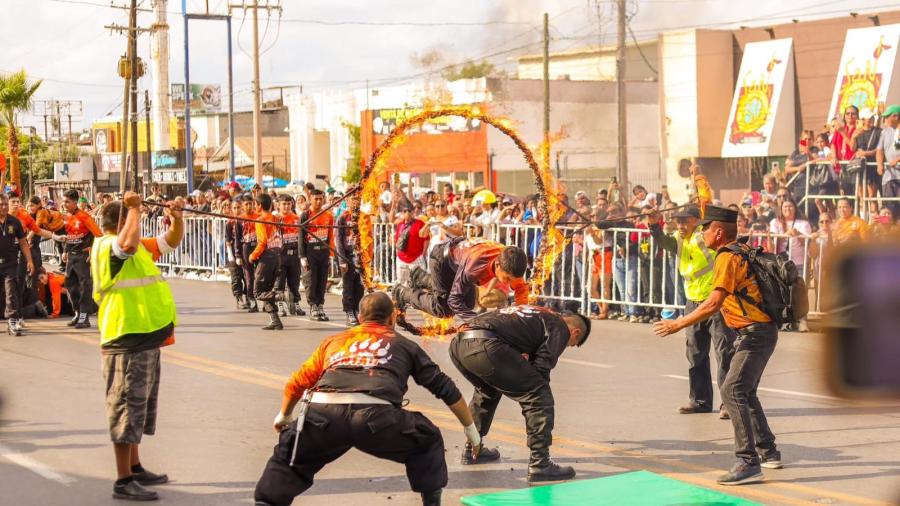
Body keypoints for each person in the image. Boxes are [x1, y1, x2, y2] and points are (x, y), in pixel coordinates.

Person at [253, 292, 481, 506]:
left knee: (288, 459)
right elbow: (445, 388)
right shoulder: (404, 344)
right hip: (377, 419)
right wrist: (471, 429)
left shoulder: (334, 341)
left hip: (323, 416)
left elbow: (297, 382)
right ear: (393, 317)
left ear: (360, 318)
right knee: (428, 439)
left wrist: (284, 415)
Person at [654, 206, 781, 486]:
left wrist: (678, 324)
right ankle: (769, 452)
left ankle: (748, 462)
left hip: (755, 334)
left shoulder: (726, 256)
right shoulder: (739, 249)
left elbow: (713, 303)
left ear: (719, 232)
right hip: (759, 331)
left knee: (732, 390)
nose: (702, 233)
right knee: (745, 391)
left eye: (706, 228)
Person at [90, 191, 184, 501]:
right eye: (130, 217)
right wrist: (134, 210)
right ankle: (123, 480)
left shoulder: (136, 246)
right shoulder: (107, 245)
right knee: (125, 410)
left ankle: (135, 466)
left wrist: (177, 219)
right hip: (125, 339)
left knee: (137, 409)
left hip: (143, 337)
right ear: (120, 222)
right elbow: (127, 245)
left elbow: (169, 242)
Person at [449, 305, 590, 482]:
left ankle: (473, 449)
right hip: (485, 345)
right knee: (539, 394)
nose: (565, 346)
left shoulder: (538, 313)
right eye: (570, 344)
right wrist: (536, 396)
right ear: (575, 332)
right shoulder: (560, 326)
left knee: (488, 391)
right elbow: (542, 366)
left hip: (459, 344)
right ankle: (540, 464)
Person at [649, 203, 735, 417]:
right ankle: (700, 401)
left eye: (685, 221)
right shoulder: (680, 239)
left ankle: (728, 404)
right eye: (678, 221)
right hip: (693, 301)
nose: (680, 225)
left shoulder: (702, 237)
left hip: (715, 301)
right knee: (695, 353)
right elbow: (664, 242)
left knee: (724, 352)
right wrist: (654, 226)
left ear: (697, 221)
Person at [392, 237, 528, 321]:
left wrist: (521, 317)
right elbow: (454, 300)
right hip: (442, 261)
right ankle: (403, 293)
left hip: (459, 261)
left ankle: (419, 276)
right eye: (507, 279)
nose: (510, 283)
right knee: (443, 310)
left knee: (469, 304)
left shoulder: (510, 261)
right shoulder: (475, 266)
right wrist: (477, 322)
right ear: (497, 265)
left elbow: (521, 289)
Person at [61, 189, 103, 329]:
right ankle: (77, 312)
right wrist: (65, 251)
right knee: (70, 285)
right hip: (71, 257)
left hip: (83, 256)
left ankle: (85, 316)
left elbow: (99, 235)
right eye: (64, 201)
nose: (64, 204)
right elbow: (69, 236)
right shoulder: (67, 217)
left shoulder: (85, 217)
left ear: (75, 202)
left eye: (67, 202)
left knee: (85, 286)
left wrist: (92, 252)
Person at [0, 194, 35, 336]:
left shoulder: (15, 222)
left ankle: (12, 321)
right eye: (1, 204)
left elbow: (23, 242)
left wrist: (30, 261)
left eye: (5, 204)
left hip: (10, 263)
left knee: (11, 292)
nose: (3, 207)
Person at [249, 194, 284, 331]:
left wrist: (253, 255)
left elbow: (262, 241)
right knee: (266, 291)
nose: (254, 206)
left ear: (259, 205)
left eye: (255, 204)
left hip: (267, 257)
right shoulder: (276, 218)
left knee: (258, 292)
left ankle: (280, 296)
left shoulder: (260, 220)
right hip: (277, 255)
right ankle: (275, 321)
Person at [299, 189, 334, 321]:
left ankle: (320, 306)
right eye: (316, 199)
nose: (319, 201)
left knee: (322, 280)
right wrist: (302, 257)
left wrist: (331, 253)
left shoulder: (328, 215)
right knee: (311, 280)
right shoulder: (305, 215)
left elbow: (331, 235)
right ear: (310, 199)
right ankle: (313, 306)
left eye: (321, 199)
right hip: (310, 252)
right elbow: (301, 237)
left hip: (323, 252)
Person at [274, 195, 306, 317]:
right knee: (279, 282)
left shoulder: (297, 218)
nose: (287, 206)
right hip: (281, 255)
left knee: (294, 281)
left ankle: (296, 303)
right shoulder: (275, 219)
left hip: (294, 255)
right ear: (278, 205)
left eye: (288, 204)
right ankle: (280, 304)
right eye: (284, 204)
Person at [335, 193, 364, 326]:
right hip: (347, 255)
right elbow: (338, 241)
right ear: (347, 200)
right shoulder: (342, 218)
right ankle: (349, 311)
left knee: (359, 286)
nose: (355, 201)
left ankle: (357, 310)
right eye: (353, 199)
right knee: (348, 286)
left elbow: (369, 238)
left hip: (360, 256)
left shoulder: (363, 217)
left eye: (358, 199)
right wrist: (342, 261)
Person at [393, 201, 430, 285]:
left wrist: (424, 253)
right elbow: (397, 239)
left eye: (409, 211)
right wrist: (397, 253)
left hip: (416, 258)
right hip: (401, 259)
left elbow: (426, 239)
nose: (407, 213)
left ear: (413, 212)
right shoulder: (400, 225)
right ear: (402, 213)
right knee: (402, 283)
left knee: (421, 282)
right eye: (405, 211)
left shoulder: (420, 223)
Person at [876, 104, 900, 218]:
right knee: (889, 210)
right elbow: (879, 150)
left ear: (895, 116)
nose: (885, 119)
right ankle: (889, 230)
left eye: (887, 116)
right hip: (888, 177)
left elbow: (897, 148)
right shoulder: (886, 131)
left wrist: (897, 159)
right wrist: (879, 164)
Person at [225, 200, 248, 309]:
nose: (237, 210)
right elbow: (228, 239)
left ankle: (248, 296)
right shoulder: (230, 223)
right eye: (234, 208)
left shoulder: (245, 220)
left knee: (247, 276)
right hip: (234, 253)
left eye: (239, 207)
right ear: (231, 209)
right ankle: (239, 298)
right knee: (236, 277)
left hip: (245, 251)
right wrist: (230, 254)